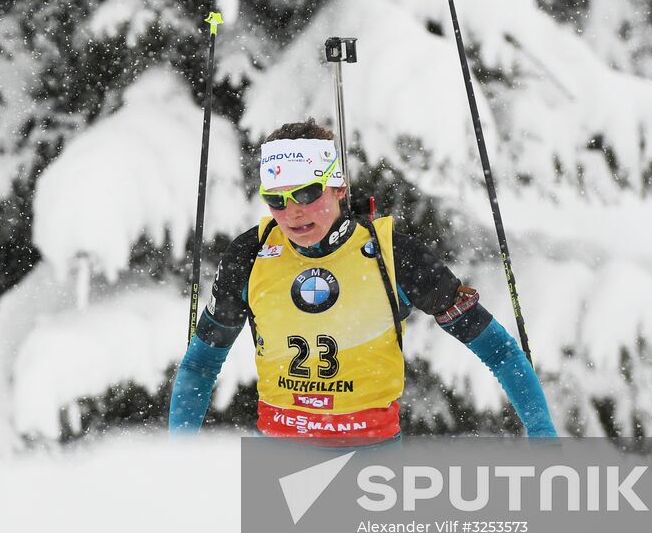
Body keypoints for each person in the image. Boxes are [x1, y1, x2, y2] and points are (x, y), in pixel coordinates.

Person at [168, 119, 557, 445]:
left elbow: (500, 352)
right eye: (277, 199)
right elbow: (201, 366)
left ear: (338, 187)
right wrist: (177, 456)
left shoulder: (392, 254)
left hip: (372, 462)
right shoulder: (250, 254)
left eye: (307, 193)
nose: (293, 212)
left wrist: (542, 433)